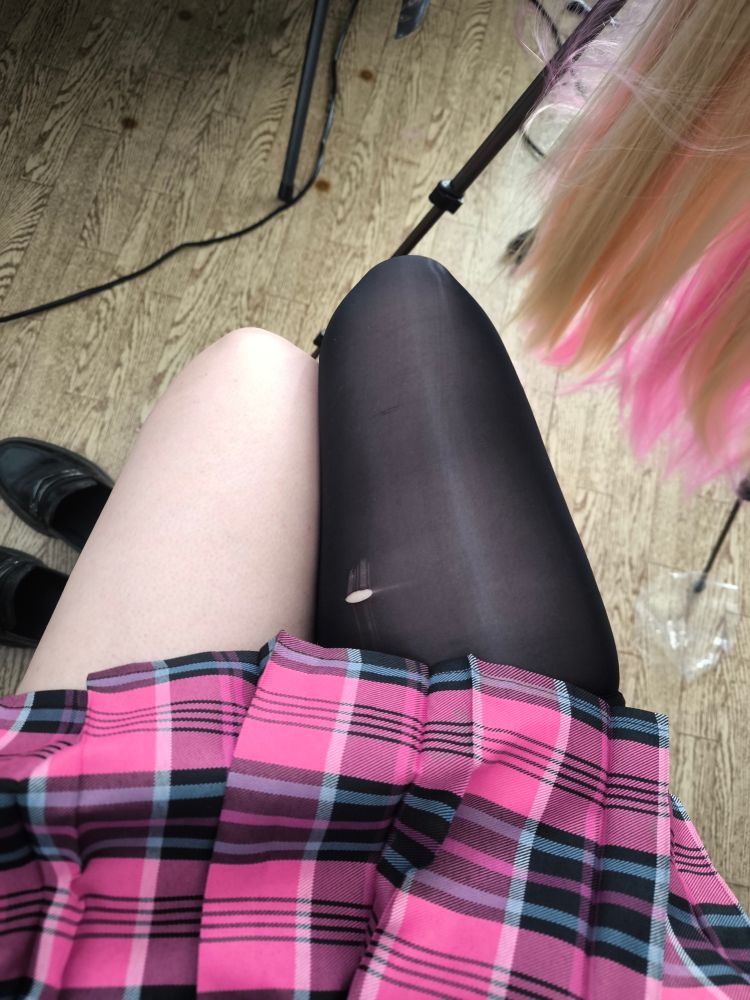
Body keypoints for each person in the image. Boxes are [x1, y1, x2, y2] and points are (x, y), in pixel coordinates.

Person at [1, 256, 748, 997]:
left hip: (110, 899)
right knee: (382, 311)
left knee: (253, 378)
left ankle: (79, 584)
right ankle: (117, 552)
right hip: (526, 881)